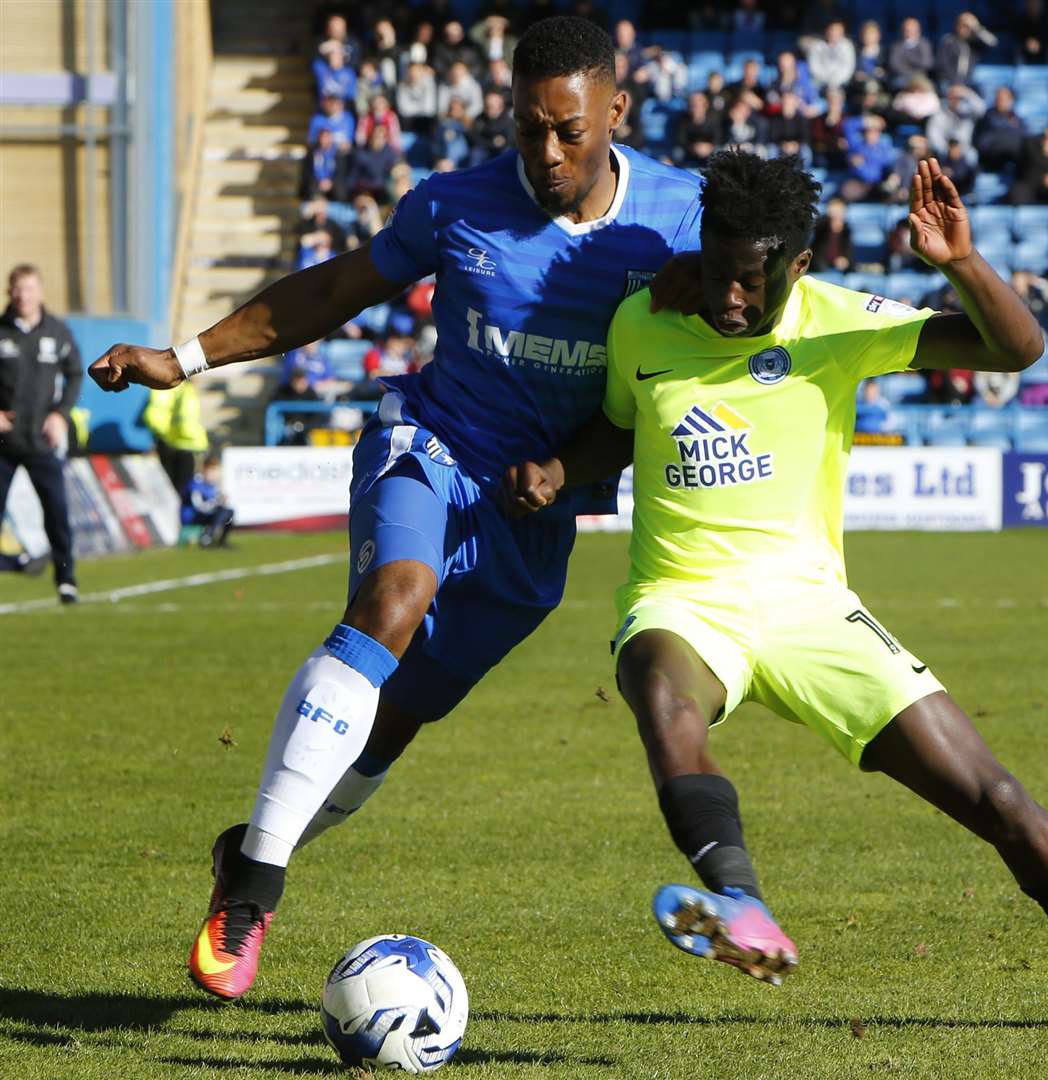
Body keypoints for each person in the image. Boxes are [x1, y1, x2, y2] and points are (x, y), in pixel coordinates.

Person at [504, 151, 1048, 1034]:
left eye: (752, 283)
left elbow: (1017, 350)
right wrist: (555, 469)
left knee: (995, 798)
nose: (731, 299)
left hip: (809, 604)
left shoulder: (839, 321)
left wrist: (960, 263)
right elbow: (620, 430)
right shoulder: (642, 323)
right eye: (720, 273)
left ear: (798, 267)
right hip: (684, 597)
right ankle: (742, 909)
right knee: (660, 692)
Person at [87, 16, 706, 1002]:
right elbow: (334, 290)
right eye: (525, 129)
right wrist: (186, 357)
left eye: (569, 132)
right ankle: (254, 888)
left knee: (389, 728)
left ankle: (246, 845)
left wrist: (570, 466)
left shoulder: (677, 221)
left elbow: (679, 378)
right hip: (430, 437)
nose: (545, 153)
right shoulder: (456, 203)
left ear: (616, 113)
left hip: (534, 512)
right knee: (395, 595)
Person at [0, 265, 80, 601]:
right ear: (9, 292)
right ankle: (13, 563)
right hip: (4, 443)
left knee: (57, 512)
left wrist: (60, 415)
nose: (23, 295)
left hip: (41, 441)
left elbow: (75, 374)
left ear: (40, 292)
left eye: (29, 288)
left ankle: (66, 579)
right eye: (18, 289)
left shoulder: (57, 332)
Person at [182, 452, 236, 548]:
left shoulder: (213, 484)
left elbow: (217, 502)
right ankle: (207, 537)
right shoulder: (196, 483)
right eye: (212, 470)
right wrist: (216, 502)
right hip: (193, 516)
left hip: (206, 514)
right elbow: (198, 506)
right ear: (205, 469)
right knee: (223, 512)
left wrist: (221, 500)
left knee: (229, 512)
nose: (215, 474)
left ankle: (221, 541)